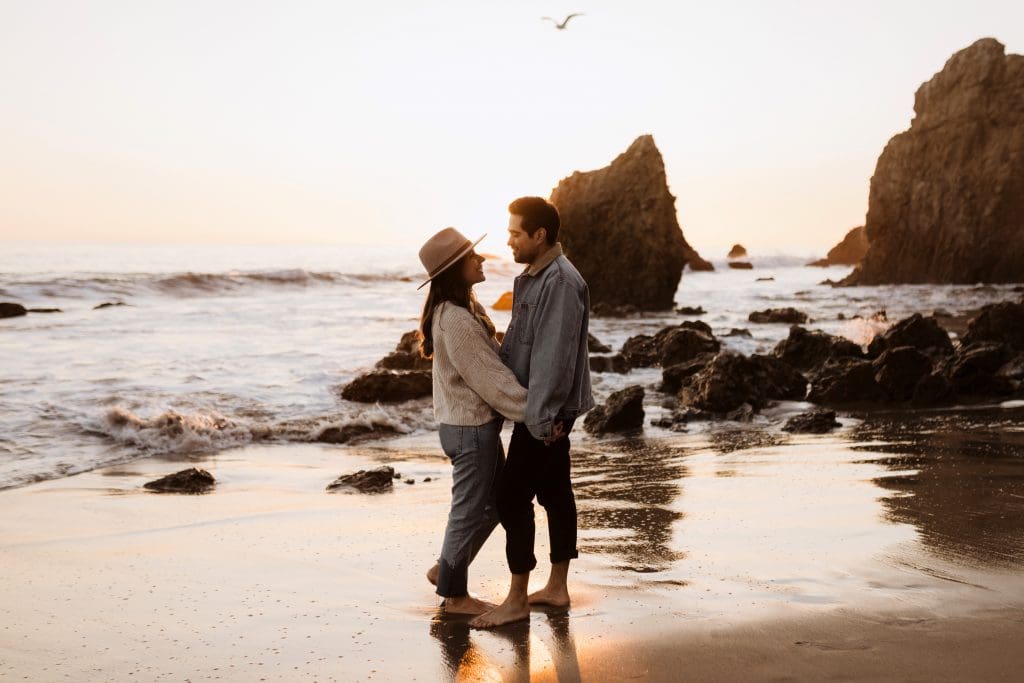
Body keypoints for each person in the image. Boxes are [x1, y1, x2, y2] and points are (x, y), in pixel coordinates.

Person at [471, 197, 594, 629]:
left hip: (545, 409)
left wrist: (539, 419)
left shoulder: (558, 282)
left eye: (515, 234)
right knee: (555, 491)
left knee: (511, 496)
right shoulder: (535, 276)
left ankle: (518, 598)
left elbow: (553, 359)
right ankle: (556, 588)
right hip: (540, 405)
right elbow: (522, 346)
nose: (508, 242)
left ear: (539, 235)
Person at [417, 227, 529, 615]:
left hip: (466, 428)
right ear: (454, 270)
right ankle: (454, 596)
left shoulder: (458, 313)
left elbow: (494, 369)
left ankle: (446, 568)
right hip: (470, 432)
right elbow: (492, 381)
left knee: (496, 506)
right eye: (472, 256)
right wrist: (537, 414)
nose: (481, 259)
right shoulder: (458, 322)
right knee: (467, 511)